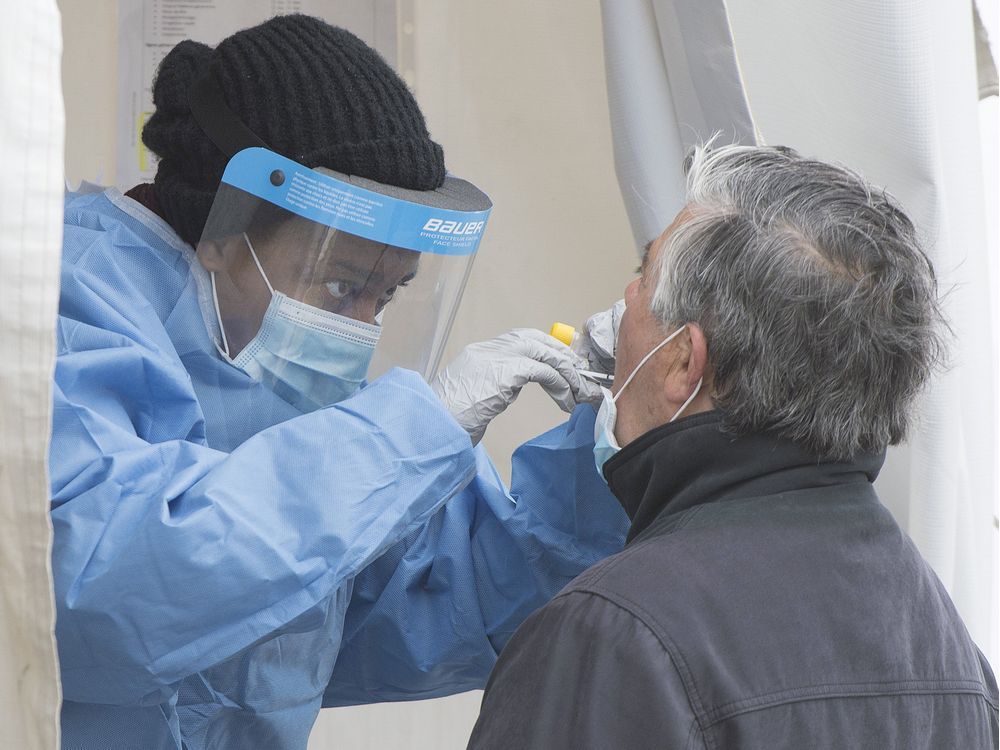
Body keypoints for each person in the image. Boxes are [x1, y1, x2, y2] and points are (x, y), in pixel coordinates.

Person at [52, 15, 627, 750]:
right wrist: (414, 436)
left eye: (385, 296)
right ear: (227, 232)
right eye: (340, 284)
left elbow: (426, 605)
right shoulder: (63, 310)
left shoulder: (261, 350)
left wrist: (610, 448)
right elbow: (111, 595)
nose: (360, 327)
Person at [467, 144, 1000, 749]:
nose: (626, 297)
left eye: (645, 274)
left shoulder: (612, 632)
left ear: (682, 361)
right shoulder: (953, 653)